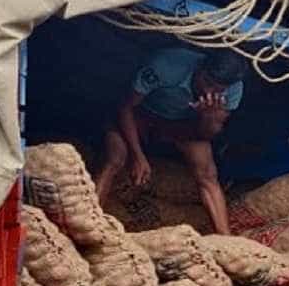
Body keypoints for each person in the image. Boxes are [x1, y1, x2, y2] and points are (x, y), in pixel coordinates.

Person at [96, 47, 248, 235]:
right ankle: (89, 219)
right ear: (200, 68)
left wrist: (208, 116)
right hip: (140, 115)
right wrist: (137, 155)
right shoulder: (167, 64)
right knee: (115, 159)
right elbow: (126, 107)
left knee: (208, 174)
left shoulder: (234, 89)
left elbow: (207, 134)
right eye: (207, 82)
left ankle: (226, 238)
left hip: (179, 126)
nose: (209, 91)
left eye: (218, 89)